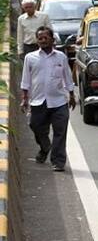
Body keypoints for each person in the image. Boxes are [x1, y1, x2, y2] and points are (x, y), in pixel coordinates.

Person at [20, 26, 76, 172]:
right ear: (37, 41)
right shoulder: (30, 58)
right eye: (40, 38)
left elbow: (67, 77)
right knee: (35, 126)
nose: (43, 40)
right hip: (38, 101)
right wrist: (24, 98)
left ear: (52, 39)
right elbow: (26, 80)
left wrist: (71, 95)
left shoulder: (61, 57)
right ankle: (45, 147)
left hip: (59, 101)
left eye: (46, 38)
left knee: (60, 131)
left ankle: (58, 161)